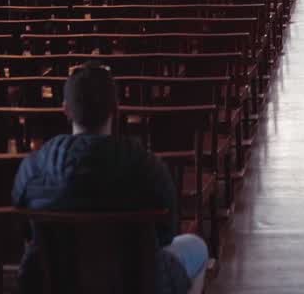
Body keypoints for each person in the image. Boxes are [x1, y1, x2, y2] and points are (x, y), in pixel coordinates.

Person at [13, 63, 208, 294]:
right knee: (196, 247)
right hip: (137, 281)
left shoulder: (34, 167)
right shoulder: (147, 167)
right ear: (115, 110)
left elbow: (25, 229)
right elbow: (167, 232)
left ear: (66, 110)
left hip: (54, 281)